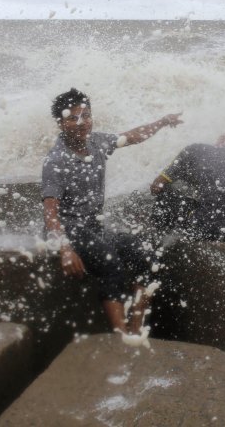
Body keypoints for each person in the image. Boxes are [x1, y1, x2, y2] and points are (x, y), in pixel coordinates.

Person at [42, 87, 182, 335]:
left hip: (93, 228)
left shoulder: (96, 142)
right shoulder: (56, 161)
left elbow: (132, 136)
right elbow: (50, 211)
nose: (81, 122)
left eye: (86, 116)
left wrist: (162, 121)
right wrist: (64, 248)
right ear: (61, 124)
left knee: (147, 255)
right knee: (111, 263)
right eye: (73, 118)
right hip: (69, 229)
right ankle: (121, 336)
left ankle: (136, 329)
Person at [149, 142, 225, 241]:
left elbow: (156, 186)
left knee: (165, 197)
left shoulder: (189, 151)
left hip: (205, 224)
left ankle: (156, 236)